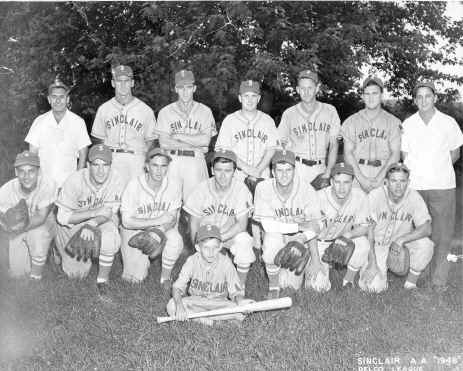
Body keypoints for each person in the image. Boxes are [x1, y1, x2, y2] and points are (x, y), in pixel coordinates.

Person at [401, 80, 463, 292]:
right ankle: (414, 275)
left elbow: (455, 153)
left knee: (442, 235)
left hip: (442, 185)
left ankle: (438, 281)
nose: (423, 100)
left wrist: (436, 170)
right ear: (415, 100)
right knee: (419, 233)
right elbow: (404, 156)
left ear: (435, 98)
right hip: (415, 186)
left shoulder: (448, 122)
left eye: (428, 96)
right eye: (419, 97)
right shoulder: (408, 124)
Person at [55, 144, 125, 300]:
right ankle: (59, 248)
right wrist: (92, 213)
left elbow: (109, 212)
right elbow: (62, 217)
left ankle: (102, 282)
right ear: (87, 165)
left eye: (105, 165)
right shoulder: (75, 180)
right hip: (71, 224)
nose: (101, 170)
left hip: (98, 221)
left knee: (110, 238)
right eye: (96, 165)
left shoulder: (116, 179)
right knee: (76, 274)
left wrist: (91, 223)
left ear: (110, 166)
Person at [253, 150, 322, 298]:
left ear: (294, 170)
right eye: (280, 170)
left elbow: (317, 225)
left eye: (288, 170)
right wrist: (298, 226)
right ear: (272, 171)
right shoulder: (263, 188)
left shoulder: (306, 190)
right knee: (271, 241)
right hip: (276, 237)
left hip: (297, 241)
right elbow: (268, 226)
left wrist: (302, 238)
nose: (284, 175)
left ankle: (286, 266)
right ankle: (273, 286)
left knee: (292, 286)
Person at [183, 149, 254, 289]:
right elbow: (193, 223)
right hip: (204, 237)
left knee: (244, 241)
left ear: (234, 171)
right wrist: (198, 249)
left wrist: (218, 240)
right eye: (219, 170)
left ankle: (239, 287)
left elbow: (241, 225)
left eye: (228, 170)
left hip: (228, 235)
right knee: (207, 284)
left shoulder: (241, 189)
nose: (223, 175)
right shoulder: (201, 189)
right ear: (212, 169)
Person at [359, 163, 434, 293]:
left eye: (402, 181)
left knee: (426, 245)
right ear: (386, 182)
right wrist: (372, 263)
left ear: (408, 182)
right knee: (373, 288)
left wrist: (402, 240)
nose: (398, 186)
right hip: (377, 246)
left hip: (401, 245)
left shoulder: (414, 196)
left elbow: (427, 228)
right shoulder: (375, 196)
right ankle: (380, 273)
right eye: (393, 181)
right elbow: (367, 231)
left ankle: (410, 283)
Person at [120, 148, 183, 293]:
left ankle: (165, 278)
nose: (159, 171)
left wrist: (159, 230)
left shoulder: (173, 186)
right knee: (134, 279)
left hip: (161, 229)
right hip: (134, 230)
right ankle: (145, 259)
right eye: (155, 165)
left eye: (163, 166)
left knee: (175, 240)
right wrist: (157, 221)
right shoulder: (133, 185)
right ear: (147, 166)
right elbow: (126, 221)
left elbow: (172, 218)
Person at [166, 224, 254, 326]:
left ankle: (201, 319)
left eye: (215, 247)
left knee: (240, 312)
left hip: (219, 303)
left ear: (220, 246)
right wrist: (180, 306)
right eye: (206, 248)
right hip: (197, 302)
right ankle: (215, 322)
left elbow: (235, 291)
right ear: (198, 248)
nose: (211, 252)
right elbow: (177, 287)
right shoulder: (192, 261)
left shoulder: (226, 263)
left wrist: (241, 303)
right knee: (172, 305)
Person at [91, 65, 158, 186]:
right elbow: (98, 141)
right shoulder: (104, 109)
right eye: (119, 81)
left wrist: (145, 165)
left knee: (135, 202)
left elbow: (151, 142)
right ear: (113, 83)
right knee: (110, 202)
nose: (122, 85)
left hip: (136, 161)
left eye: (126, 81)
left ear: (132, 83)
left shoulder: (145, 110)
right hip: (111, 160)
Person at [307, 162, 370, 291]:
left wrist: (348, 235)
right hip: (318, 243)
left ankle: (348, 279)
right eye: (337, 182)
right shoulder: (318, 197)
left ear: (352, 182)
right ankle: (322, 267)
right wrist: (315, 260)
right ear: (331, 181)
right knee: (316, 288)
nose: (342, 187)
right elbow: (310, 231)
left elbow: (364, 227)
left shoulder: (359, 196)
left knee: (363, 243)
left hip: (342, 240)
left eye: (346, 182)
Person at [156, 69, 217, 198]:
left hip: (196, 163)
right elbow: (164, 143)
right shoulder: (165, 112)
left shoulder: (205, 111)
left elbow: (205, 141)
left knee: (197, 207)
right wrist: (195, 144)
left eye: (188, 87)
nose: (185, 91)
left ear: (194, 88)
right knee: (170, 205)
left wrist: (178, 136)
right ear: (175, 89)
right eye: (181, 87)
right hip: (173, 162)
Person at [0, 151, 57, 279]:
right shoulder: (6, 190)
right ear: (16, 172)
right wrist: (5, 225)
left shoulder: (48, 185)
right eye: (22, 171)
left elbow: (41, 217)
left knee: (38, 235)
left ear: (39, 171)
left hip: (43, 224)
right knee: (18, 274)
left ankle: (36, 277)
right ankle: (39, 255)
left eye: (31, 171)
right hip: (17, 229)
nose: (26, 176)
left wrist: (17, 229)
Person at [25, 78, 91, 187]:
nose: (58, 100)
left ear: (67, 99)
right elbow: (32, 155)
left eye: (61, 97)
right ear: (49, 99)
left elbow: (83, 155)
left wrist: (77, 182)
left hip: (68, 185)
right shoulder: (39, 122)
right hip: (43, 185)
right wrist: (35, 182)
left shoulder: (78, 122)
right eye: (54, 97)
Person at [278, 70, 340, 183]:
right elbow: (280, 144)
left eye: (310, 88)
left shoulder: (330, 111)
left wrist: (328, 172)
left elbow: (334, 144)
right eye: (302, 88)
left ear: (317, 88)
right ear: (297, 89)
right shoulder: (289, 114)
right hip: (296, 168)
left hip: (320, 167)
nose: (306, 92)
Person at [342, 76, 401, 193]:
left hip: (384, 174)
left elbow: (395, 154)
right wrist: (361, 179)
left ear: (381, 95)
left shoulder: (394, 122)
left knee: (381, 211)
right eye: (367, 94)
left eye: (375, 93)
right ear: (362, 96)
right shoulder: (350, 122)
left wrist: (379, 179)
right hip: (357, 173)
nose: (371, 98)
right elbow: (347, 153)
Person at [215, 80, 279, 184]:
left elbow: (272, 149)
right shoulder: (230, 120)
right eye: (246, 96)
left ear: (258, 99)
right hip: (236, 176)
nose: (250, 100)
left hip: (262, 176)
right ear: (240, 98)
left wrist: (258, 170)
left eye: (254, 96)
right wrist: (247, 168)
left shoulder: (268, 121)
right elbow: (223, 150)